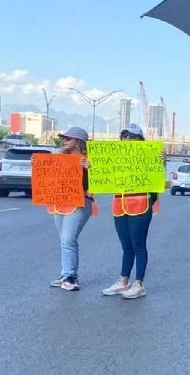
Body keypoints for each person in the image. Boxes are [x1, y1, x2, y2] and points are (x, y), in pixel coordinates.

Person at [102, 124, 158, 299]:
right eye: (124, 136)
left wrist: (159, 160)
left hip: (140, 204)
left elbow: (156, 182)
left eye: (131, 136)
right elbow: (102, 177)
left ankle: (139, 284)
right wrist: (91, 166)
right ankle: (123, 281)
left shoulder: (150, 157)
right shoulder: (114, 159)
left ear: (140, 139)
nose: (126, 139)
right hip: (120, 205)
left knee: (138, 246)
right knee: (126, 246)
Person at [49, 127, 94, 292]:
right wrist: (37, 166)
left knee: (68, 240)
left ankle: (70, 277)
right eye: (64, 138)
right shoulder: (57, 158)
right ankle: (66, 274)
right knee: (64, 241)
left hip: (79, 202)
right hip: (59, 203)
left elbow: (101, 181)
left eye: (69, 138)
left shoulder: (89, 160)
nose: (65, 140)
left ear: (79, 142)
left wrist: (90, 168)